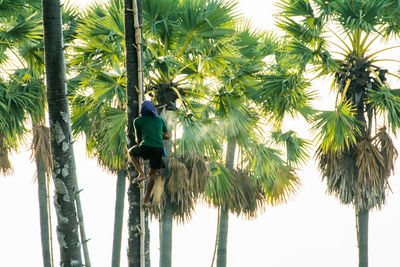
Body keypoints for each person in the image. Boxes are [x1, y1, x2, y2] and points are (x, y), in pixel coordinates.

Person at [128, 100, 169, 207]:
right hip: (158, 148)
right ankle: (145, 200)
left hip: (146, 147)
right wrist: (158, 135)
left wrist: (146, 137)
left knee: (131, 152)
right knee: (152, 175)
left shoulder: (138, 121)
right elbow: (167, 136)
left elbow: (138, 140)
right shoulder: (160, 120)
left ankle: (141, 174)